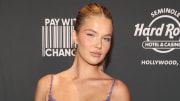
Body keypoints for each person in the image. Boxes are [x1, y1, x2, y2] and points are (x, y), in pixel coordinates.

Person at [34, 3, 130, 101]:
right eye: (91, 35)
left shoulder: (118, 91)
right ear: (75, 36)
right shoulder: (47, 85)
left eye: (106, 38)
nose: (99, 45)